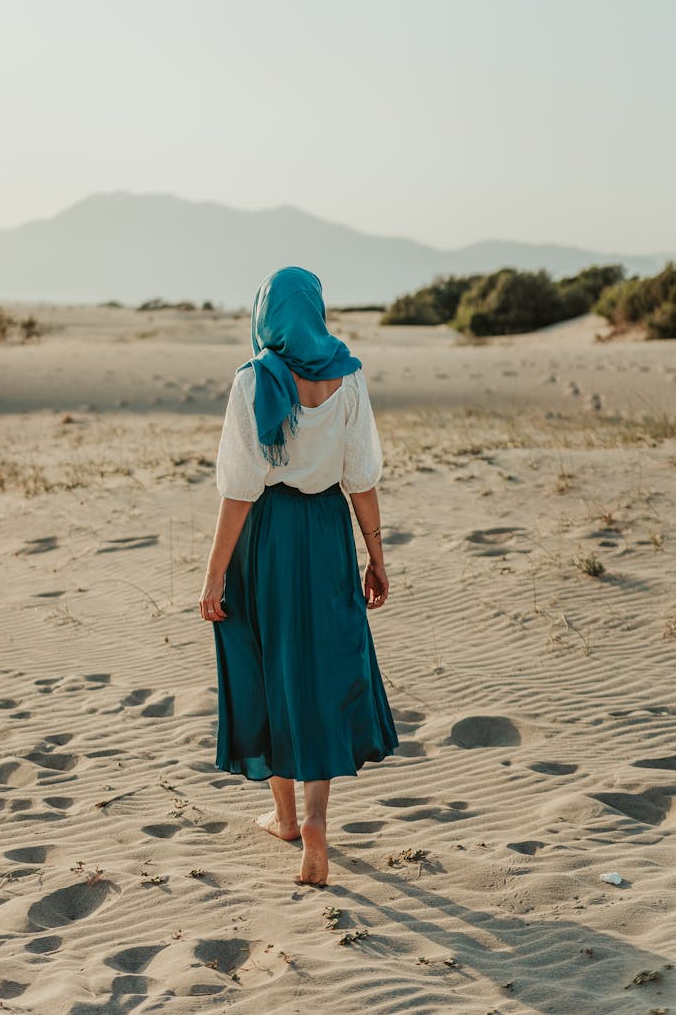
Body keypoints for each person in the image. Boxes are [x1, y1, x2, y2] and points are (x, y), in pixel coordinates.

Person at [198, 266, 398, 887]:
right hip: (327, 534)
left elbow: (238, 489)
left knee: (268, 666)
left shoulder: (254, 379)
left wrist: (214, 576)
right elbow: (360, 476)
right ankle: (315, 818)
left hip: (267, 536)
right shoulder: (350, 374)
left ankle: (285, 818)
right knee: (318, 671)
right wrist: (376, 556)